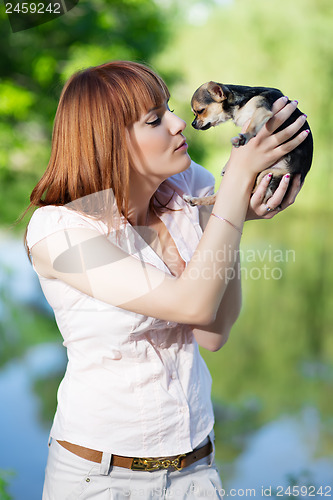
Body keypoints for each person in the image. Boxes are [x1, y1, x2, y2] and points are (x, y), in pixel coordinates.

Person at [25, 61, 308, 499]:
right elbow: (190, 304)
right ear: (108, 141)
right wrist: (234, 188)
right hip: (99, 480)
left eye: (171, 109)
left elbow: (213, 330)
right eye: (155, 119)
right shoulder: (58, 231)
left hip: (195, 472)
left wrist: (222, 211)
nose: (179, 125)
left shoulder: (190, 190)